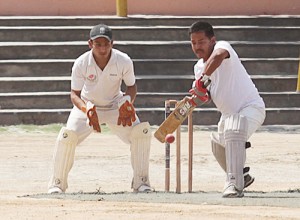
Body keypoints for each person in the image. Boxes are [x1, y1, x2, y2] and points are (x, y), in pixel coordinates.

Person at [48, 24, 153, 194]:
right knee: (67, 136)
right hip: (88, 106)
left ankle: (141, 182)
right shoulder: (81, 63)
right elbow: (74, 94)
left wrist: (127, 103)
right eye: (98, 44)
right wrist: (86, 109)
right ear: (90, 43)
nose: (103, 48)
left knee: (141, 133)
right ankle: (57, 184)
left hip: (116, 106)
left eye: (106, 44)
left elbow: (132, 87)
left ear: (113, 43)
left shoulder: (123, 60)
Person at [187, 21, 266, 198]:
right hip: (228, 115)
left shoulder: (222, 47)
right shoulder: (198, 67)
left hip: (251, 107)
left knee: (233, 128)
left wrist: (202, 80)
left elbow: (218, 57)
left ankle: (233, 184)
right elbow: (204, 96)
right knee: (217, 141)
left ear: (212, 40)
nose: (197, 46)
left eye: (201, 41)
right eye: (193, 43)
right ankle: (242, 176)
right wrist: (194, 98)